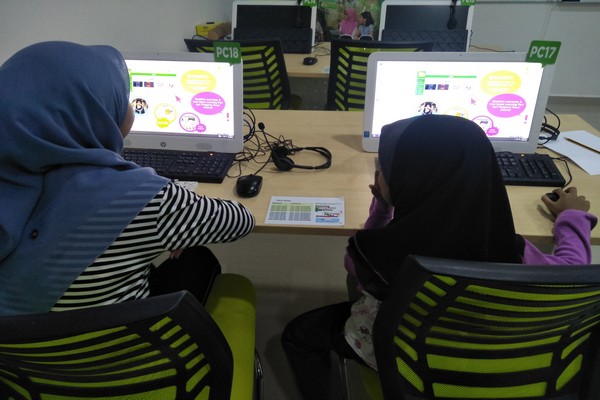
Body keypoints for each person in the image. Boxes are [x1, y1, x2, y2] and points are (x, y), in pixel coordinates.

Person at [281, 114, 597, 400]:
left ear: (404, 182)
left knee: (299, 335)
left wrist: (383, 208)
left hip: (412, 363)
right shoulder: (511, 250)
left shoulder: (379, 252)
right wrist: (572, 217)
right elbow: (573, 268)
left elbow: (355, 272)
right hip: (497, 363)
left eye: (385, 169)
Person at [0, 41, 255, 316]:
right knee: (197, 258)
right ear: (94, 113)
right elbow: (241, 221)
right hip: (117, 340)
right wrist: (179, 218)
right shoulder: (142, 196)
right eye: (122, 99)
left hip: (20, 342)